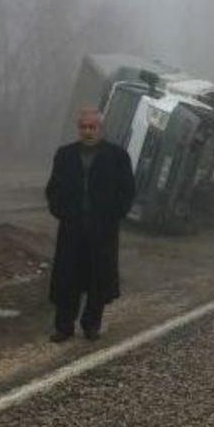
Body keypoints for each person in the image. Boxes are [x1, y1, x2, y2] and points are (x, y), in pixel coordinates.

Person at [45, 108, 136, 342]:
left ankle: (91, 324)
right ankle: (64, 327)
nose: (87, 131)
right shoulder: (64, 155)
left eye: (92, 127)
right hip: (71, 230)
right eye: (83, 127)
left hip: (103, 231)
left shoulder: (117, 156)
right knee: (67, 280)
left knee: (98, 280)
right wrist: (62, 213)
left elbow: (127, 191)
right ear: (79, 129)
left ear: (100, 129)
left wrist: (113, 215)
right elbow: (53, 189)